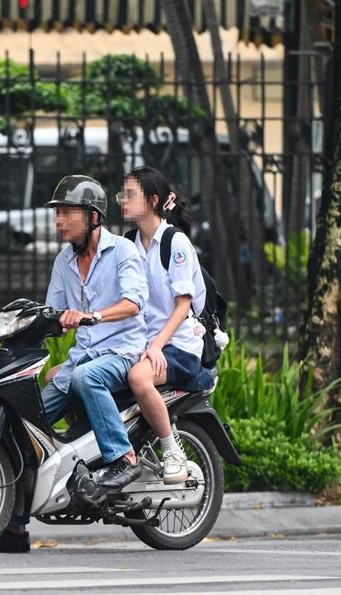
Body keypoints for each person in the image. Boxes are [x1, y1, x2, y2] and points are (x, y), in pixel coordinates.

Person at [0, 174, 149, 553]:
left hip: (122, 353)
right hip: (82, 359)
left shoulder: (123, 254)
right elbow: (55, 313)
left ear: (92, 217)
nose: (58, 221)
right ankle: (14, 527)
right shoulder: (65, 260)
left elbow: (134, 304)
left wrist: (93, 316)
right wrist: (26, 326)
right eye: (57, 214)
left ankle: (122, 458)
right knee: (25, 420)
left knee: (89, 378)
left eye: (65, 213)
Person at [120, 166, 215, 485]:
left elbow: (183, 305)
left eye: (131, 195)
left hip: (178, 346)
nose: (123, 200)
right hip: (142, 343)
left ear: (153, 200)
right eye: (123, 194)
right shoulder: (128, 243)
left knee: (138, 376)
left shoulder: (174, 243)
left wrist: (157, 345)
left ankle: (172, 451)